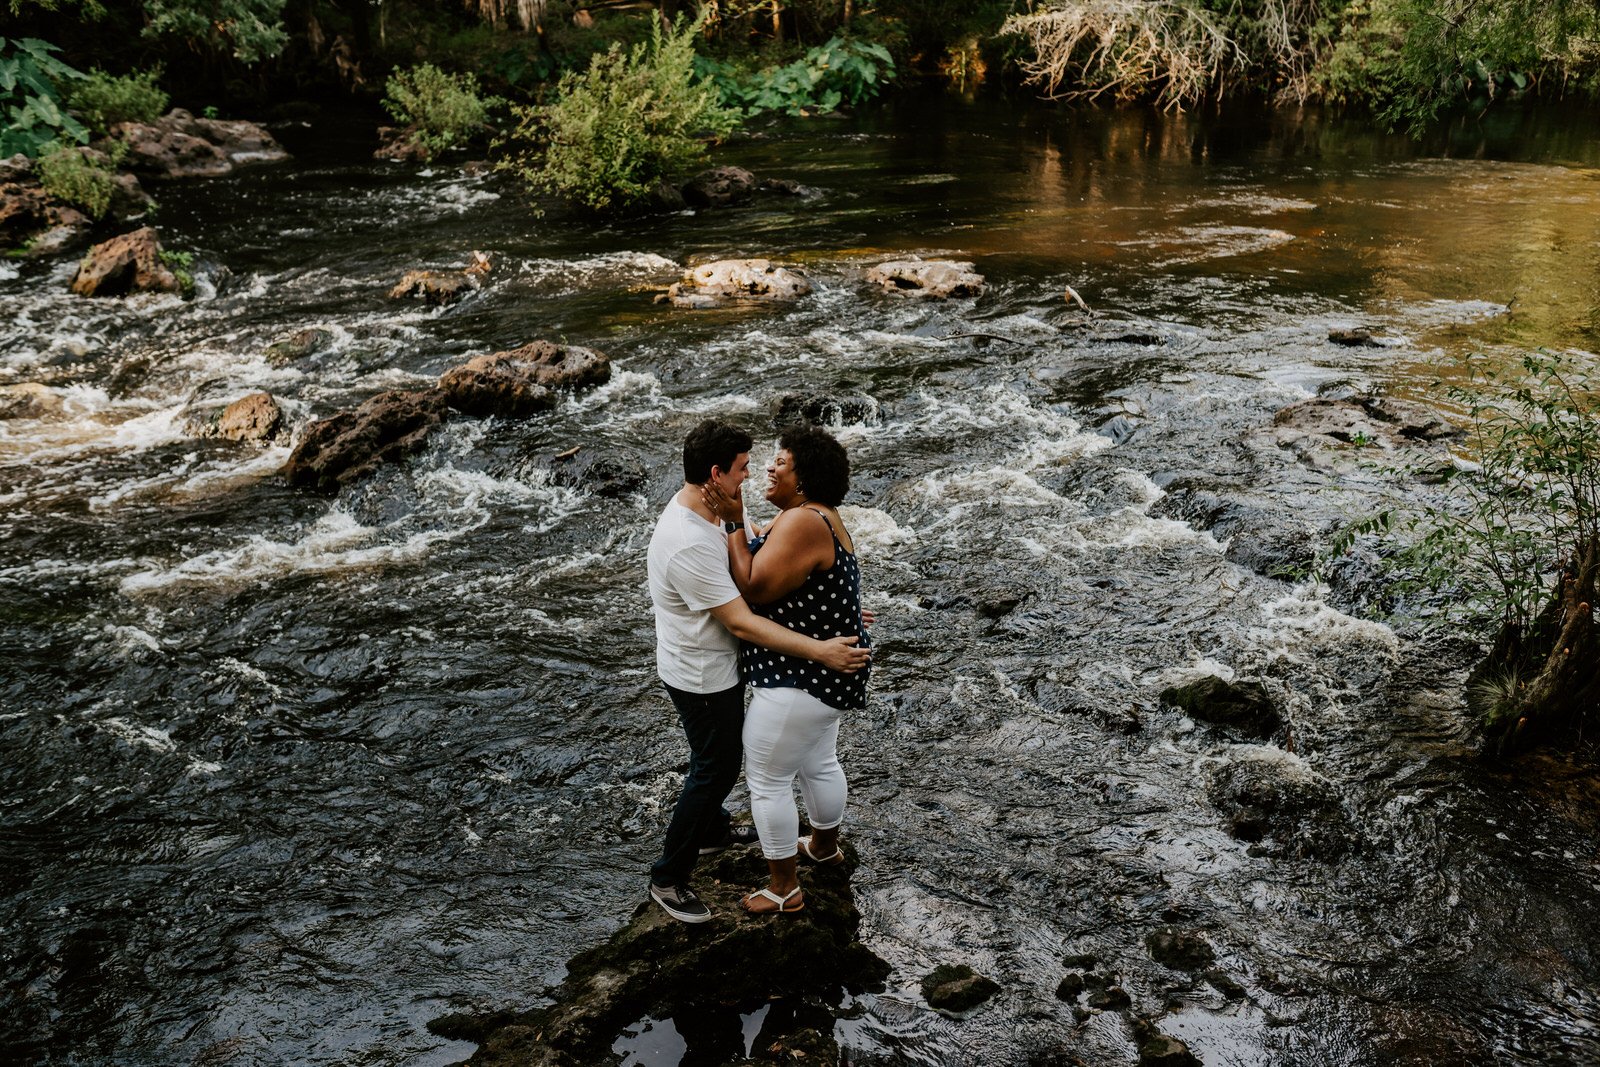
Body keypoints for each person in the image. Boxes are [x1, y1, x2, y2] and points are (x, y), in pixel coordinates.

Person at [646, 420, 870, 924]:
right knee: (721, 767)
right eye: (745, 468)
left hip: (787, 673)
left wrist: (835, 622)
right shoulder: (690, 537)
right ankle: (669, 875)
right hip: (706, 670)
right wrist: (823, 644)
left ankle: (773, 879)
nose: (755, 473)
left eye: (774, 463)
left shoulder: (755, 514)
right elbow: (743, 616)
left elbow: (768, 572)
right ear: (715, 473)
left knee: (770, 774)